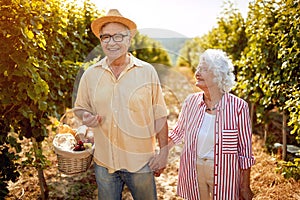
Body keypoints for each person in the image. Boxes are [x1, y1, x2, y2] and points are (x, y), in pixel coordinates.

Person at [73, 9, 169, 200]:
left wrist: (163, 152)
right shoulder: (91, 74)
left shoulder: (146, 72)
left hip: (141, 163)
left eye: (118, 36)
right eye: (106, 37)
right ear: (100, 41)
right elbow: (80, 107)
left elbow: (160, 115)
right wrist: (85, 116)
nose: (111, 42)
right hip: (105, 163)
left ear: (129, 40)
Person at [168, 49, 255, 200]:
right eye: (198, 68)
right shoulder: (191, 102)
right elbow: (177, 133)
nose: (197, 72)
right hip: (194, 169)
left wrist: (245, 186)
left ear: (217, 75)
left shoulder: (238, 107)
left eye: (204, 69)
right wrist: (159, 154)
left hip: (224, 173)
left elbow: (244, 151)